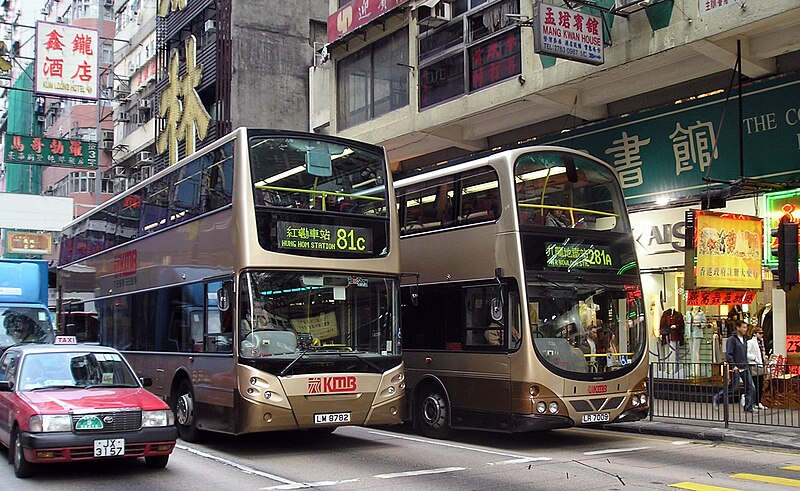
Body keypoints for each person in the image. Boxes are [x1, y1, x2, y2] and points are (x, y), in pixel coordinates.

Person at [712, 320, 756, 413]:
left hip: (744, 365)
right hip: (736, 367)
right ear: (738, 328)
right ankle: (717, 397)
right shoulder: (731, 339)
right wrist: (733, 365)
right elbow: (729, 354)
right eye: (743, 327)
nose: (745, 329)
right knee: (733, 387)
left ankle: (748, 407)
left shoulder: (744, 339)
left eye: (746, 327)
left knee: (750, 387)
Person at [747, 325, 768, 410]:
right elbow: (746, 353)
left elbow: (762, 352)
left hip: (760, 364)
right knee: (755, 385)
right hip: (754, 365)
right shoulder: (750, 342)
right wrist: (754, 358)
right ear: (755, 334)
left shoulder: (761, 342)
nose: (762, 335)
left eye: (762, 333)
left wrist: (764, 358)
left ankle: (758, 402)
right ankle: (753, 402)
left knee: (760, 385)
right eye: (760, 333)